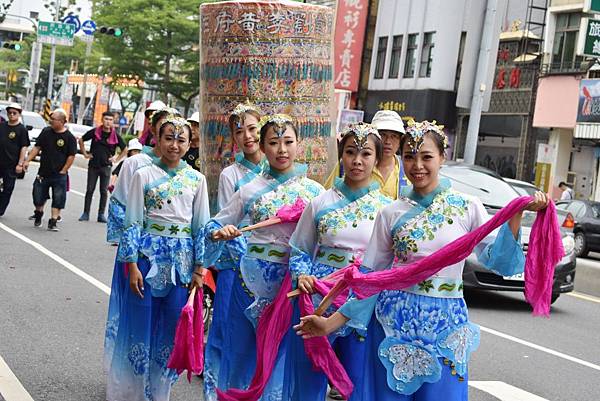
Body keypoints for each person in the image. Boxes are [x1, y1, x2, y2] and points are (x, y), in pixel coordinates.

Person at [295, 120, 549, 401]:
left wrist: (514, 215)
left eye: (426, 156)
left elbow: (499, 262)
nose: (417, 165)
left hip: (446, 324)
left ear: (443, 157)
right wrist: (329, 324)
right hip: (393, 323)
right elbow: (369, 281)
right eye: (409, 157)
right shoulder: (390, 213)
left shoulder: (468, 207)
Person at [204, 114, 324, 400]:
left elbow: (321, 242)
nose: (281, 150)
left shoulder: (315, 193)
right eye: (273, 142)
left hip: (292, 286)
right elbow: (214, 225)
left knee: (284, 357)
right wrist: (223, 232)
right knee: (242, 353)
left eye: (288, 142)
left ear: (299, 145)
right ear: (263, 146)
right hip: (250, 281)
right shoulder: (249, 189)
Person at [106, 116, 210, 401]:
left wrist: (199, 270)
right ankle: (130, 392)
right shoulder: (143, 174)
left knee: (170, 329)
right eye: (169, 138)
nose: (174, 145)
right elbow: (133, 221)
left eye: (181, 139)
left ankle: (159, 392)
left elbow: (200, 225)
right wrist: (131, 264)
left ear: (190, 144)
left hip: (182, 265)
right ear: (157, 139)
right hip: (146, 260)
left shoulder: (197, 179)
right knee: (140, 325)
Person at [288, 122, 392, 400]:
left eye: (366, 154)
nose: (357, 161)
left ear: (377, 158)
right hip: (320, 296)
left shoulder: (387, 210)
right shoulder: (319, 203)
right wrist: (303, 275)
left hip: (362, 300)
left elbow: (388, 264)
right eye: (350, 152)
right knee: (308, 379)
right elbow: (299, 249)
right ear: (341, 155)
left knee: (356, 382)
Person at [202, 102, 264, 400]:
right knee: (227, 331)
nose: (248, 136)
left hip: (271, 267)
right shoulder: (231, 175)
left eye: (252, 128)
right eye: (240, 131)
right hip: (237, 265)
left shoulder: (278, 168)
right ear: (233, 138)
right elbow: (230, 222)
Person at [324, 110, 408, 200]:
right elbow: (326, 197)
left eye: (394, 136)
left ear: (400, 141)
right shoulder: (347, 165)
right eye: (383, 135)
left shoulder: (406, 169)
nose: (387, 141)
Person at [23, 109, 77, 231]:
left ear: (62, 121)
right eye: (50, 119)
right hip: (43, 172)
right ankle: (38, 213)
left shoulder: (69, 137)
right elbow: (37, 147)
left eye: (53, 120)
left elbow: (71, 156)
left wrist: (64, 170)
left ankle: (53, 221)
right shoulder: (46, 132)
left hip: (59, 174)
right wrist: (27, 160)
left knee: (58, 198)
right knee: (38, 196)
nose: (50, 122)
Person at [78, 111, 127, 223]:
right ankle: (86, 213)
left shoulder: (115, 136)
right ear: (102, 120)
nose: (108, 122)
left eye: (110, 120)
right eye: (106, 119)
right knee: (90, 189)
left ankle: (101, 214)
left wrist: (116, 159)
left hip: (106, 166)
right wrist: (85, 154)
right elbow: (81, 140)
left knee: (104, 191)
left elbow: (125, 149)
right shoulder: (95, 132)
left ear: (113, 121)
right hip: (93, 165)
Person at [0, 103, 30, 216]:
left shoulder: (21, 129)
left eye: (14, 113)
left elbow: (24, 147)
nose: (11, 115)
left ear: (19, 114)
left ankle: (1, 209)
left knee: (8, 188)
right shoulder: (2, 126)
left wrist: (20, 164)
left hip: (11, 164)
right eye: (10, 113)